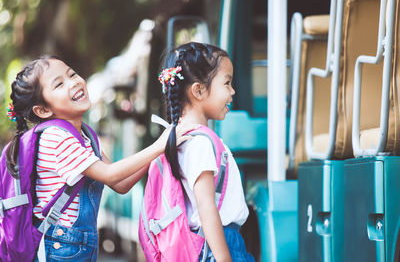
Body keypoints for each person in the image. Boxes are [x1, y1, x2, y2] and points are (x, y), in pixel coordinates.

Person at [5, 55, 195, 261]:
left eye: (72, 74)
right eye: (59, 84)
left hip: (77, 244)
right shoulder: (55, 137)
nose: (74, 82)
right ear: (43, 110)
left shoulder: (85, 135)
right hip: (61, 247)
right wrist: (159, 146)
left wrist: (161, 151)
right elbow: (110, 175)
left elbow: (121, 184)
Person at [160, 42, 255, 262]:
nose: (232, 91)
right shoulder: (199, 143)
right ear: (199, 90)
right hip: (220, 244)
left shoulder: (192, 139)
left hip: (219, 242)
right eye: (227, 83)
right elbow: (206, 208)